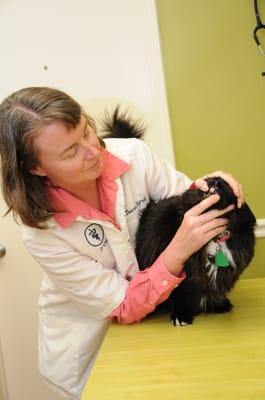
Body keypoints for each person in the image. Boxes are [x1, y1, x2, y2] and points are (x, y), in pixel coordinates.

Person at [0, 87, 243, 400]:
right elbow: (123, 305)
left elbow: (187, 204)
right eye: (71, 151)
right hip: (88, 350)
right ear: (36, 168)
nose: (92, 150)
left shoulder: (133, 156)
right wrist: (178, 249)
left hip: (152, 326)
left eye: (87, 130)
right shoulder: (43, 234)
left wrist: (214, 187)